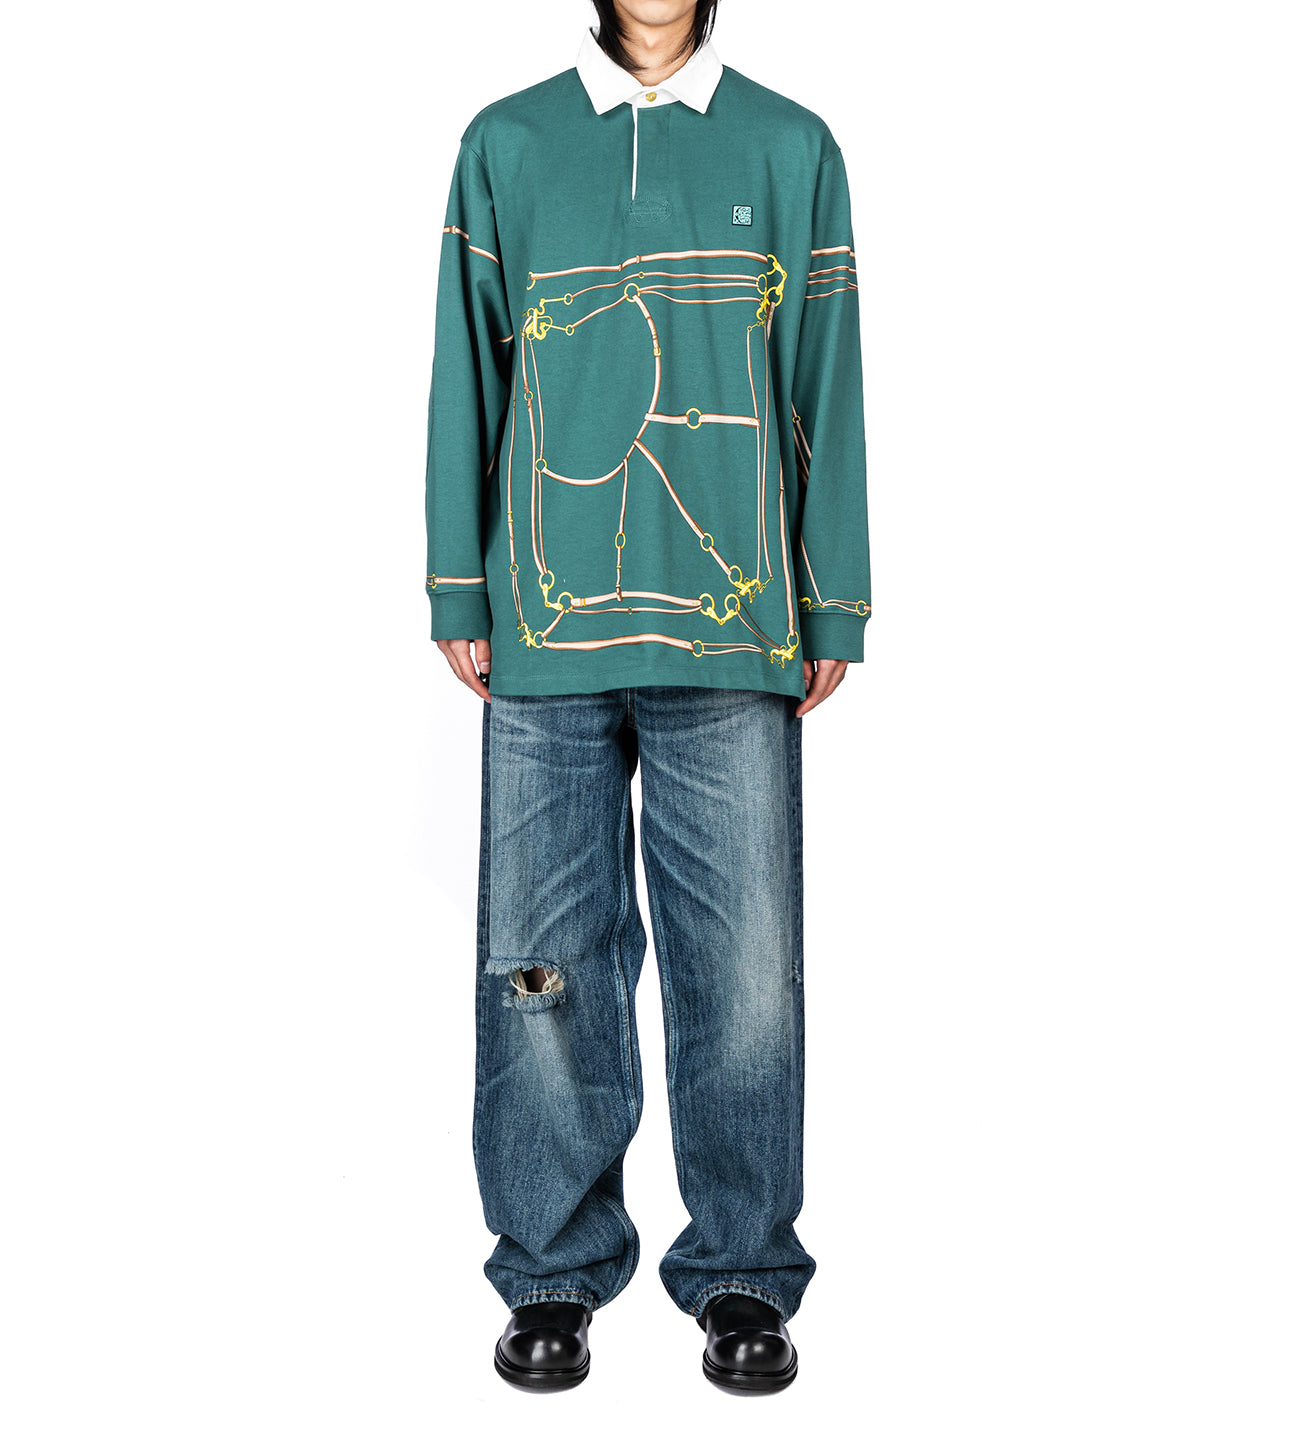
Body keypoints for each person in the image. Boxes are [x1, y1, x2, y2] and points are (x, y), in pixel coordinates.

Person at [424, 0, 871, 1394]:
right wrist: (458, 582)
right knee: (542, 965)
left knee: (744, 972)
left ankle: (743, 1269)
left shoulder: (791, 147)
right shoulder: (507, 144)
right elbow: (468, 366)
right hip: (541, 632)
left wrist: (833, 594)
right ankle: (550, 1270)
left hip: (734, 631)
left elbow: (824, 377)